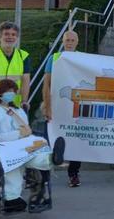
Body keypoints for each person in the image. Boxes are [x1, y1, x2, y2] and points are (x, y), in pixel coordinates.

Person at [0, 79, 53, 213]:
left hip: (21, 144)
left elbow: (26, 130)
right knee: (16, 163)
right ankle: (12, 199)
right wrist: (17, 134)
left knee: (39, 146)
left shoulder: (18, 110)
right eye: (9, 92)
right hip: (4, 146)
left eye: (14, 92)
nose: (12, 94)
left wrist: (24, 134)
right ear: (0, 93)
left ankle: (49, 159)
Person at [42, 30, 82, 187]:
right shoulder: (54, 58)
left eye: (72, 40)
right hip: (57, 105)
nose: (70, 42)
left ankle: (73, 174)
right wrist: (47, 105)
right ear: (63, 42)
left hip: (76, 105)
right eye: (67, 40)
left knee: (75, 140)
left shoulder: (82, 59)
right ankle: (44, 174)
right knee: (50, 140)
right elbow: (46, 84)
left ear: (77, 42)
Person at [0, 21, 32, 113]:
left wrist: (24, 101)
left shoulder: (23, 56)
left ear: (17, 37)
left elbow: (25, 82)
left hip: (15, 106)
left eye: (13, 34)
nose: (10, 37)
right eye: (6, 34)